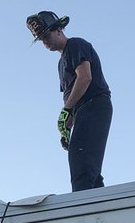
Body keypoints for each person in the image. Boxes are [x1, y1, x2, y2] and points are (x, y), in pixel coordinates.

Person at [26, 11, 112, 191]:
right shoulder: (61, 63)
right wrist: (66, 127)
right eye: (40, 39)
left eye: (46, 35)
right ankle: (98, 206)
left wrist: (66, 109)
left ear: (58, 30)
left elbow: (85, 78)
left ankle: (83, 212)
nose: (44, 41)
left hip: (94, 104)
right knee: (84, 163)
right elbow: (70, 97)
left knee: (82, 165)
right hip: (82, 110)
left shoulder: (75, 44)